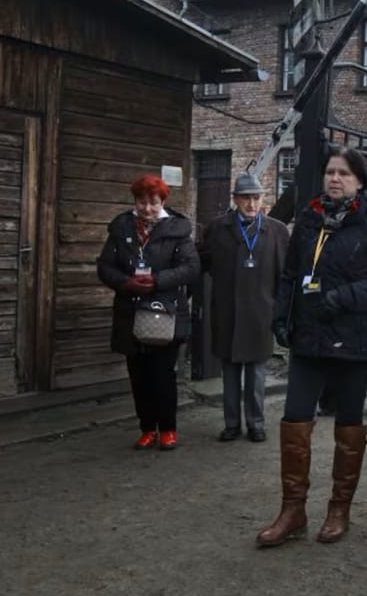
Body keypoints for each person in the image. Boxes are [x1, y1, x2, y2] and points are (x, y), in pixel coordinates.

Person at [257, 147, 367, 548]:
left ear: (360, 180)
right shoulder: (309, 218)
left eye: (343, 173)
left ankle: (339, 509)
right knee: (294, 419)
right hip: (309, 337)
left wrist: (345, 296)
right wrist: (281, 316)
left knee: (348, 424)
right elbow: (292, 274)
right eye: (330, 172)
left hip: (354, 340)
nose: (335, 179)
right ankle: (292, 510)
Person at [97, 174, 200, 450]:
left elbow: (191, 267)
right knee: (138, 376)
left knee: (162, 375)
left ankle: (167, 429)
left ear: (162, 201)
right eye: (142, 202)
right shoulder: (121, 229)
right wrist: (125, 282)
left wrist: (158, 280)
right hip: (130, 311)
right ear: (135, 201)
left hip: (164, 312)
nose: (147, 208)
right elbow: (104, 267)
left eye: (153, 202)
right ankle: (146, 428)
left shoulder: (177, 230)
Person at [200, 173, 289, 443]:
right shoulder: (217, 229)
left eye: (256, 198)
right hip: (227, 313)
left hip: (261, 313)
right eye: (245, 198)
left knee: (257, 374)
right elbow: (204, 265)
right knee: (229, 373)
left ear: (263, 199)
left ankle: (256, 423)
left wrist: (280, 312)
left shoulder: (276, 231)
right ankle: (231, 425)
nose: (251, 204)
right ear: (236, 199)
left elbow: (284, 275)